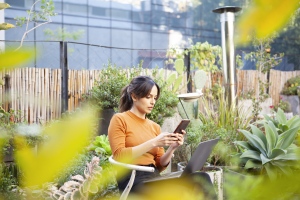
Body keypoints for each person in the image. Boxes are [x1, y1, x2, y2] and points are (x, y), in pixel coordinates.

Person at [108, 75, 217, 199]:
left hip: (153, 177)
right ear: (134, 96)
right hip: (133, 180)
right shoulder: (120, 119)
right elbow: (119, 155)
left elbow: (159, 165)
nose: (152, 102)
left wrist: (172, 148)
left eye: (155, 98)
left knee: (201, 178)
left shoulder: (154, 127)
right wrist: (153, 143)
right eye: (148, 97)